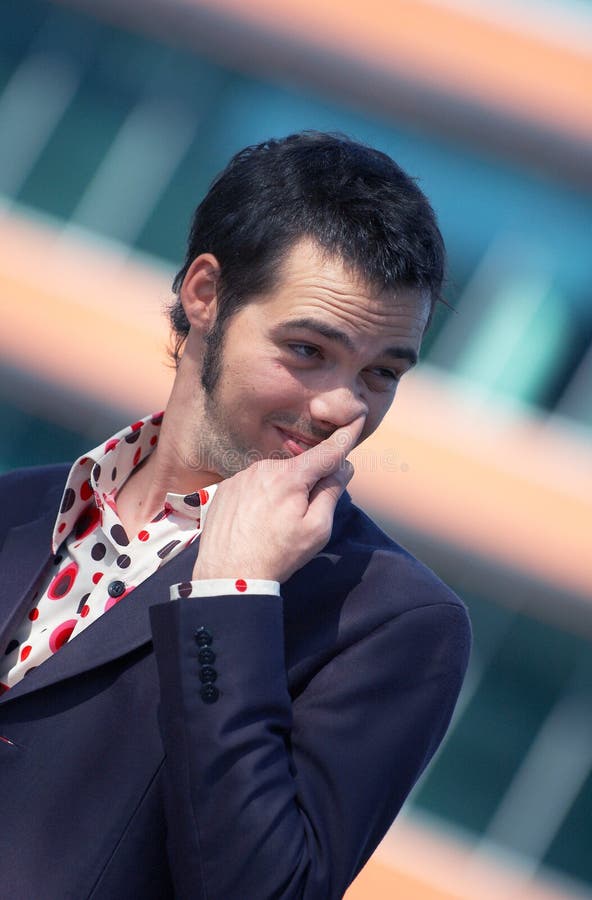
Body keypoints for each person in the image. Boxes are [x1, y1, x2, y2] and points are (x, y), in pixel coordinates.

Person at [0, 132, 471, 899]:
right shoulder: (17, 503)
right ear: (205, 294)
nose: (342, 407)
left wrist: (232, 598)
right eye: (309, 349)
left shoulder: (393, 621)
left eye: (381, 373)